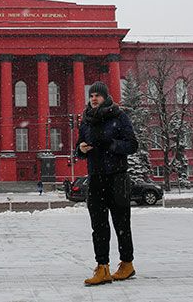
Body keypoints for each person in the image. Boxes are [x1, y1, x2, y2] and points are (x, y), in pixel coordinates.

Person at [76, 81, 139, 286]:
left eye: (98, 95)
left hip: (117, 176)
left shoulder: (119, 117)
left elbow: (132, 145)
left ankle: (127, 264)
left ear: (105, 97)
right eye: (91, 95)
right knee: (98, 225)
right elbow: (79, 146)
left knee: (122, 223)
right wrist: (81, 150)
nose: (94, 98)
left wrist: (112, 144)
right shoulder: (86, 120)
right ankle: (102, 267)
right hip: (96, 176)